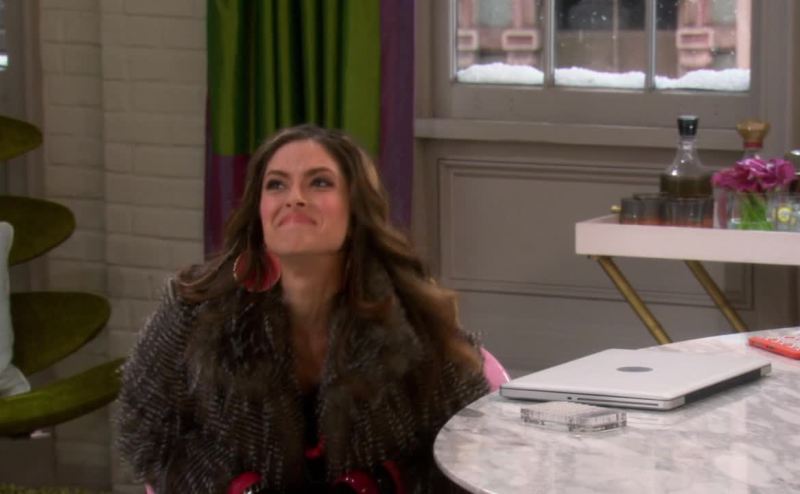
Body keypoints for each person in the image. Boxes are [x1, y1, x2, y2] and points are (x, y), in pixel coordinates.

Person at [116, 124, 489, 493]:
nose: (294, 197)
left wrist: (381, 482)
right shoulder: (194, 307)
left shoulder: (412, 310)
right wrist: (235, 487)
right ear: (259, 211)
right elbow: (144, 431)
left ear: (355, 209)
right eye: (276, 185)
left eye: (320, 183)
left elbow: (467, 434)